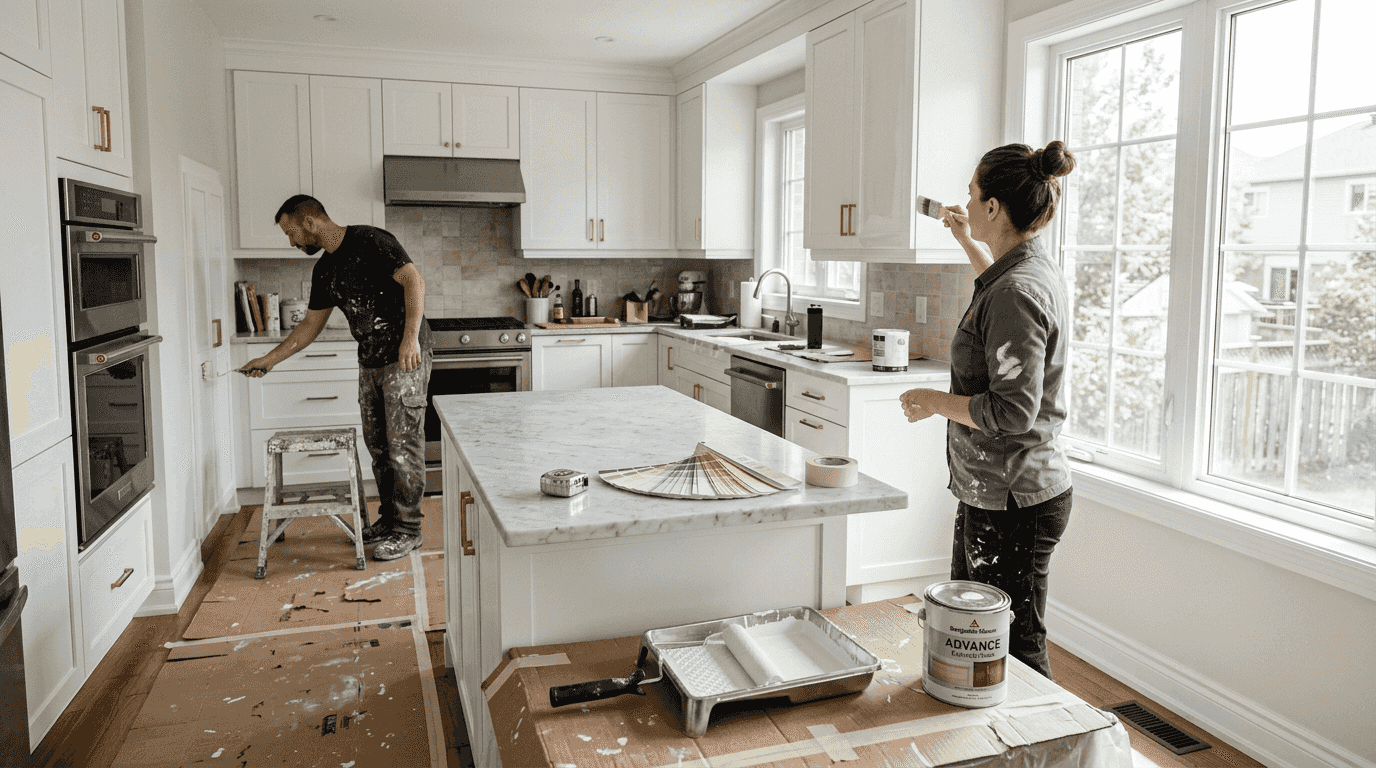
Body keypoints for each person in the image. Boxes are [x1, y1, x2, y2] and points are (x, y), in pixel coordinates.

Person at [900, 141, 1076, 679]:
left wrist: (934, 402)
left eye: (972, 195)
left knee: (1016, 644)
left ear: (995, 207)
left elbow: (1012, 412)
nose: (966, 203)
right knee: (975, 631)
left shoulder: (1016, 291)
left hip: (1013, 501)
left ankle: (1043, 750)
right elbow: (998, 287)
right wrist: (962, 237)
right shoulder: (1023, 269)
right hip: (1002, 491)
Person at [242, 195, 433, 562]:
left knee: (403, 447)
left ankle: (409, 530)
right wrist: (269, 360)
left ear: (310, 223)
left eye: (291, 232)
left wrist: (410, 339)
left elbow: (414, 281)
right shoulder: (325, 270)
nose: (292, 242)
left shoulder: (372, 241)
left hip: (404, 356)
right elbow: (310, 326)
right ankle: (391, 520)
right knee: (379, 447)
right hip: (370, 360)